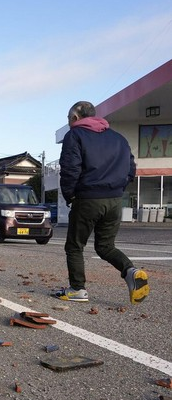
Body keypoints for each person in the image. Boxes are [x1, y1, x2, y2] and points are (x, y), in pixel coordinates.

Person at [54, 101, 149, 304]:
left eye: (69, 119)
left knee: (75, 246)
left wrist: (70, 195)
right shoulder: (118, 138)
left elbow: (70, 168)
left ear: (75, 118)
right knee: (105, 246)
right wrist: (118, 189)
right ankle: (130, 271)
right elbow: (131, 168)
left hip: (88, 198)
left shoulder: (75, 135)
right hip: (114, 200)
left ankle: (78, 289)